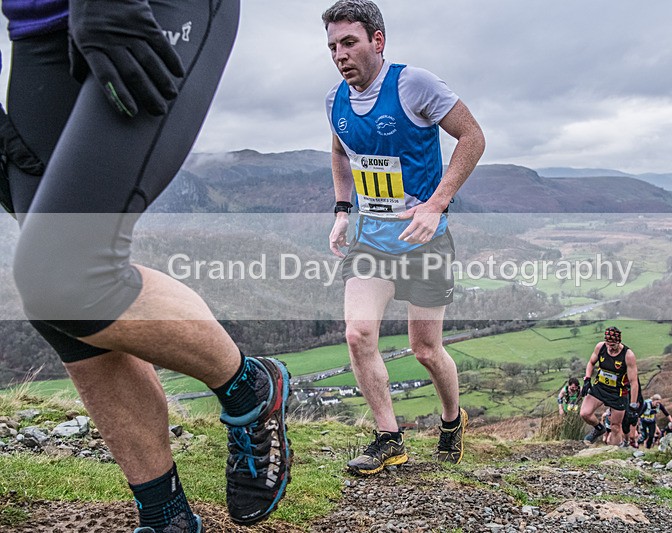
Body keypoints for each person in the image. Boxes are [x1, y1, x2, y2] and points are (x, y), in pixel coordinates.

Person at [1, 0, 290, 530]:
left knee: (63, 272)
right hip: (35, 32)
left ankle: (250, 388)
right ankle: (165, 516)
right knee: (61, 309)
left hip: (139, 7)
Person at [322, 0, 485, 475]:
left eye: (348, 42)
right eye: (332, 46)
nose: (339, 54)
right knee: (358, 333)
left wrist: (436, 205)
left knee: (426, 350)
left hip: (424, 241)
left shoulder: (414, 84)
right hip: (371, 240)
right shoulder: (335, 99)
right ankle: (389, 438)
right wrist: (341, 211)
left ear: (377, 40)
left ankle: (452, 420)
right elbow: (339, 149)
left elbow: (472, 137)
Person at [579, 326, 640, 446]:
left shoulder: (628, 355)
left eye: (613, 346)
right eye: (608, 345)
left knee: (615, 427)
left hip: (618, 393)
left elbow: (634, 382)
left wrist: (633, 406)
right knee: (584, 413)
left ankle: (613, 453)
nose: (610, 348)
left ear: (619, 342)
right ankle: (598, 428)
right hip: (600, 388)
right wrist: (587, 379)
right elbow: (591, 363)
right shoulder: (600, 347)